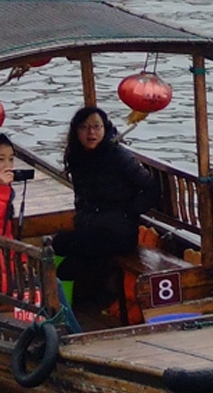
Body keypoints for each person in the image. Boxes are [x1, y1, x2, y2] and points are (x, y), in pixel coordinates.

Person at [51, 105, 160, 309]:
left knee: (60, 244)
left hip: (119, 233)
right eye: (84, 127)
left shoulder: (118, 156)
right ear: (76, 131)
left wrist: (129, 211)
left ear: (105, 128)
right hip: (92, 228)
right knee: (67, 263)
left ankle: (77, 305)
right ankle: (73, 307)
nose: (91, 133)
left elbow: (151, 189)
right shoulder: (78, 156)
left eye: (96, 127)